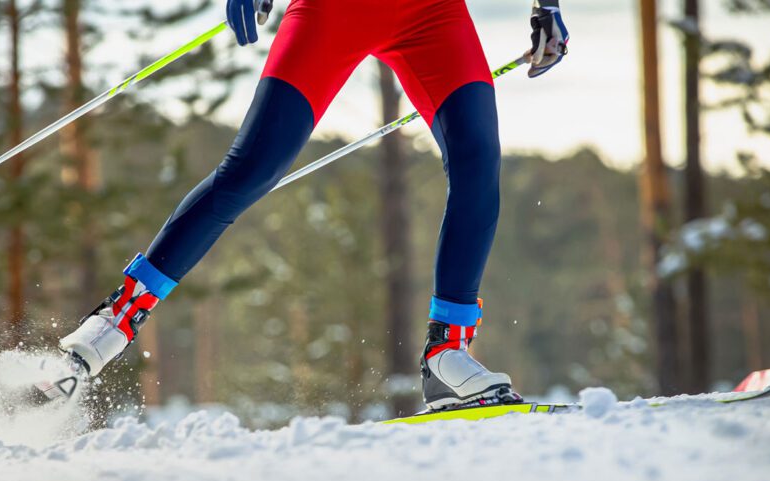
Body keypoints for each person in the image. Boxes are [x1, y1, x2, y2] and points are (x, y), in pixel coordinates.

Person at [59, 0, 569, 410]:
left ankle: (446, 352)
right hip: (333, 11)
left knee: (478, 165)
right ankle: (118, 317)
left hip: (431, 13)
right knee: (251, 169)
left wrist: (546, 6)